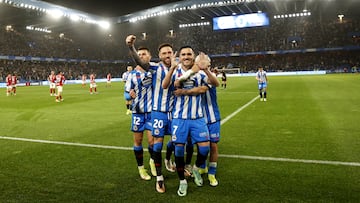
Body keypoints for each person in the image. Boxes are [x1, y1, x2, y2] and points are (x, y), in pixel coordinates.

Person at [162, 47, 214, 197]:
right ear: (180, 57)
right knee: (178, 151)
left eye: (189, 54)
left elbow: (209, 86)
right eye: (183, 54)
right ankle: (182, 181)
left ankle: (196, 168)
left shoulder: (200, 72)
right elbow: (165, 85)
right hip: (179, 118)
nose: (186, 56)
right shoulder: (175, 70)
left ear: (193, 56)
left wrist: (206, 69)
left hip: (198, 118)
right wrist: (171, 68)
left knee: (204, 149)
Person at [124, 46, 155, 182]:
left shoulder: (154, 72)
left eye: (144, 54)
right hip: (137, 113)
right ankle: (141, 168)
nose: (141, 56)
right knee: (138, 141)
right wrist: (129, 95)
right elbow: (126, 94)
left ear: (149, 56)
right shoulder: (131, 75)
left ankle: (153, 162)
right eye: (139, 54)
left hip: (152, 112)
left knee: (152, 142)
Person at [200, 64, 221, 187]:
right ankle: (202, 167)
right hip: (199, 118)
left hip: (213, 118)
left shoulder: (210, 76)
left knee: (213, 146)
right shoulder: (194, 76)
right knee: (202, 146)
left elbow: (215, 82)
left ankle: (212, 173)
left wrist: (208, 71)